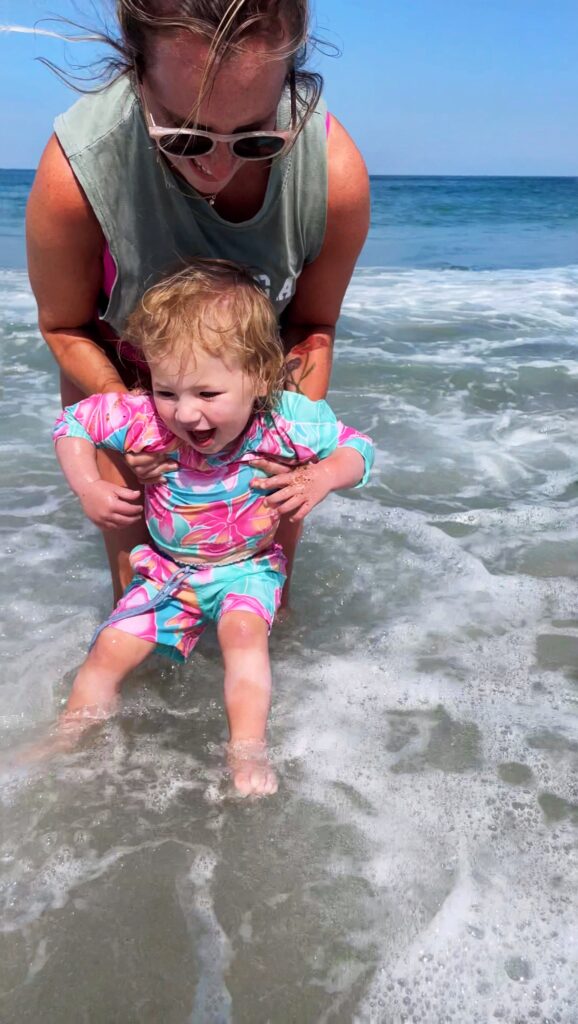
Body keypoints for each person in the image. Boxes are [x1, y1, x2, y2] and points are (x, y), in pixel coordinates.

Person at [26, 0, 370, 606]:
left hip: (256, 393)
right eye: (185, 135)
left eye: (256, 137)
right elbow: (64, 325)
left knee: (266, 602)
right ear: (137, 74)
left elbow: (313, 324)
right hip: (125, 378)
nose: (215, 165)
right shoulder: (79, 170)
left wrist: (281, 435)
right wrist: (139, 423)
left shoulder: (332, 173)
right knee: (139, 602)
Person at [52, 260, 374, 796]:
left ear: (258, 377)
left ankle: (246, 751)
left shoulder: (285, 419)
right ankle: (69, 738)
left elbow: (358, 450)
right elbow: (74, 424)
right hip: (167, 570)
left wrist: (320, 477)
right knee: (109, 648)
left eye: (207, 394)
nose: (185, 414)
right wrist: (88, 484)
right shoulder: (145, 416)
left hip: (246, 568)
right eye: (167, 390)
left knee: (244, 640)